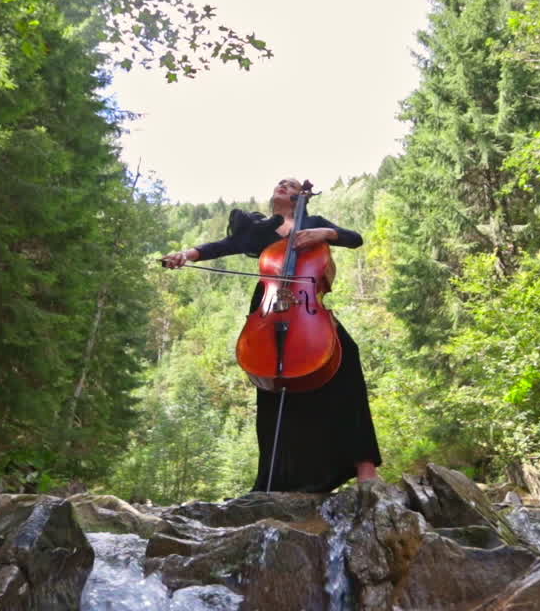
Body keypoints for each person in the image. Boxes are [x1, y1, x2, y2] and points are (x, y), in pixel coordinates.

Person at [162, 178, 381, 493]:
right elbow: (219, 247)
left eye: (289, 184)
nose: (282, 185)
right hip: (269, 308)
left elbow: (355, 238)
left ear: (299, 196)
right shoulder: (259, 228)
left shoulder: (314, 223)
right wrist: (185, 255)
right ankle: (275, 481)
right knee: (272, 385)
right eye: (279, 182)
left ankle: (365, 467)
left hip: (308, 312)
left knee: (348, 356)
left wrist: (327, 234)